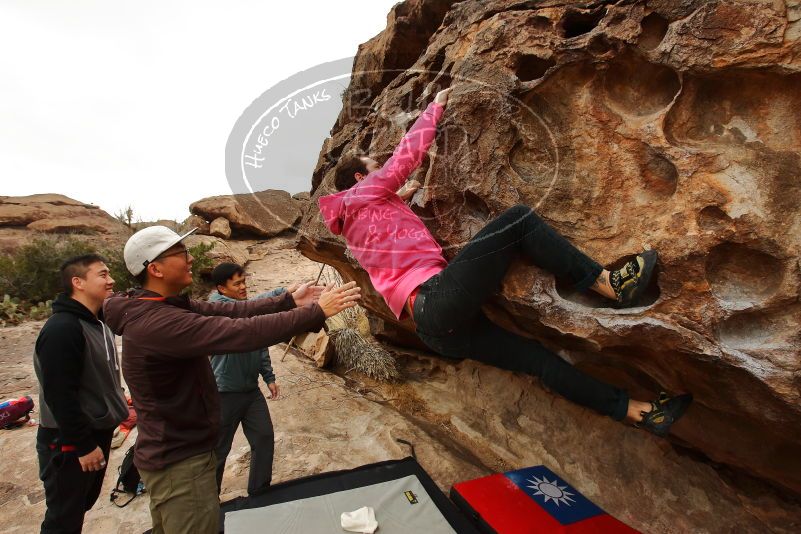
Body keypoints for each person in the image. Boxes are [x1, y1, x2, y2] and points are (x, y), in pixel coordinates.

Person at [319, 87, 692, 437]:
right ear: (359, 178)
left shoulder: (352, 219)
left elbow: (385, 213)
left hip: (435, 330)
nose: (380, 168)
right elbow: (404, 159)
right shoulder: (363, 194)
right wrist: (435, 106)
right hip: (436, 298)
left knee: (537, 360)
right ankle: (607, 283)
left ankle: (639, 411)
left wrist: (402, 194)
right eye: (373, 166)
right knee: (517, 220)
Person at [103, 226, 360, 534]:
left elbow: (233, 312)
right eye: (180, 253)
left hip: (178, 452)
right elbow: (241, 333)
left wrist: (288, 301)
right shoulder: (158, 322)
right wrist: (315, 312)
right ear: (155, 268)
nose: (190, 259)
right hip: (180, 462)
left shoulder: (159, 306)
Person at [33, 254, 129, 534]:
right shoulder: (63, 329)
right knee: (64, 518)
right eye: (102, 274)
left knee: (80, 506)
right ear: (78, 282)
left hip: (93, 432)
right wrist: (83, 445)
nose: (111, 280)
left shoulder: (97, 322)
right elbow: (59, 394)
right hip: (69, 440)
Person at [208, 262, 290, 496]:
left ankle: (259, 492)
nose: (244, 287)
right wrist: (280, 294)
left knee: (264, 437)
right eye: (237, 283)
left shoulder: (246, 308)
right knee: (219, 450)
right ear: (222, 289)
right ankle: (209, 501)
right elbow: (251, 309)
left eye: (244, 282)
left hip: (251, 392)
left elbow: (260, 343)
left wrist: (269, 376)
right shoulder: (218, 308)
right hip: (224, 392)